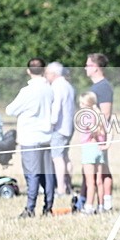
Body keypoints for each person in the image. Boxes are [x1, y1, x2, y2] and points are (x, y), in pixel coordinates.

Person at [6, 58, 55, 218]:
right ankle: (48, 207)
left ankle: (30, 208)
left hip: (30, 138)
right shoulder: (49, 89)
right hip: (46, 137)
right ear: (44, 69)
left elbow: (10, 110)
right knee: (47, 174)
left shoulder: (27, 91)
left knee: (32, 174)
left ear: (28, 71)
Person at [84, 53, 114, 212]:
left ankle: (106, 202)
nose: (85, 68)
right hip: (93, 137)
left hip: (99, 137)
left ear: (96, 67)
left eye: (88, 65)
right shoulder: (95, 87)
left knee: (103, 170)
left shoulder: (103, 87)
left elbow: (106, 113)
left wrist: (97, 133)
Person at [46, 61, 75, 196]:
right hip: (69, 126)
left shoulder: (57, 87)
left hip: (59, 128)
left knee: (57, 158)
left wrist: (50, 124)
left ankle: (61, 188)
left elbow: (56, 108)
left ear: (53, 74)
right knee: (65, 157)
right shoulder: (69, 86)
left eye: (47, 73)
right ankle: (68, 185)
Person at [77, 92, 108, 215]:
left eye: (82, 103)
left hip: (89, 149)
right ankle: (101, 206)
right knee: (99, 181)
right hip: (99, 150)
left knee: (90, 182)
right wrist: (106, 145)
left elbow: (91, 130)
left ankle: (89, 206)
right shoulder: (100, 115)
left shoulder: (86, 116)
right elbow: (108, 130)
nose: (80, 106)